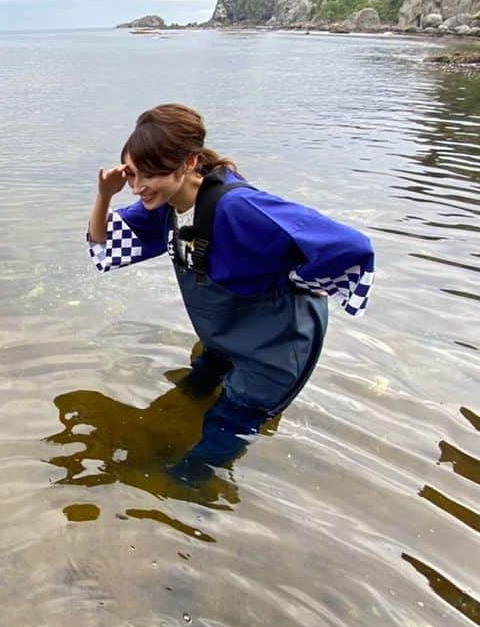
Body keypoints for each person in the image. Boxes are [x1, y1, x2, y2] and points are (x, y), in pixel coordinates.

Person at [86, 103, 375, 482]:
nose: (138, 187)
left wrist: (306, 284)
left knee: (211, 447)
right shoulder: (166, 206)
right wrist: (106, 194)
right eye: (133, 174)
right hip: (226, 333)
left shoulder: (239, 207)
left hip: (274, 346)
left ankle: (189, 489)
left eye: (150, 174)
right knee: (192, 389)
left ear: (188, 163)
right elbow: (103, 246)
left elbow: (350, 246)